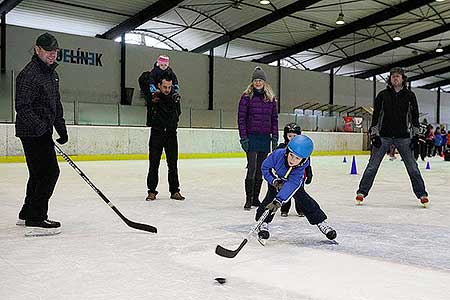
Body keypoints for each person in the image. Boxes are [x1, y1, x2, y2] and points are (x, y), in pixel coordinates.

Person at [15, 32, 68, 236]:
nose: (52, 55)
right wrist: (40, 129)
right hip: (31, 131)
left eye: (55, 51)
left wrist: (60, 128)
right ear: (37, 50)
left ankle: (27, 211)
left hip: (42, 130)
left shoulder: (52, 74)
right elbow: (23, 107)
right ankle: (36, 217)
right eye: (48, 51)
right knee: (49, 172)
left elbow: (56, 104)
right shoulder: (29, 75)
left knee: (38, 174)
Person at [355, 67, 429, 207]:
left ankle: (422, 194)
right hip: (383, 136)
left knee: (412, 167)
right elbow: (376, 116)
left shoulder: (410, 96)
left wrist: (415, 135)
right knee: (372, 166)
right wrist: (374, 134)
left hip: (404, 137)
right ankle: (362, 192)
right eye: (393, 76)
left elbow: (414, 117)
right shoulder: (382, 95)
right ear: (390, 79)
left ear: (403, 79)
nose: (395, 78)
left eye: (398, 76)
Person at [255, 135, 336, 241]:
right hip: (276, 180)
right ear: (287, 151)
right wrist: (274, 180)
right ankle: (263, 223)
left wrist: (279, 201)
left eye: (297, 158)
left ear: (303, 160)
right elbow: (265, 167)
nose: (292, 160)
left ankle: (320, 222)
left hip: (291, 183)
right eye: (291, 155)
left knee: (304, 200)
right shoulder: (277, 155)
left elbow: (292, 183)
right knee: (270, 198)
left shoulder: (301, 167)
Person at [238, 66, 278, 210]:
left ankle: (256, 198)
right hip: (251, 137)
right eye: (256, 80)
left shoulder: (271, 99)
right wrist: (243, 138)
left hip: (264, 137)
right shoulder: (246, 97)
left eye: (260, 80)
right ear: (252, 82)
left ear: (264, 82)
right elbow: (241, 119)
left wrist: (274, 137)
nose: (258, 82)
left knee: (261, 168)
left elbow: (274, 118)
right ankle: (248, 199)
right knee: (252, 167)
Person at [145, 71, 185, 201]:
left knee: (173, 164)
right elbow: (143, 78)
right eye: (165, 87)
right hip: (157, 133)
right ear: (159, 86)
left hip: (171, 135)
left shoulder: (175, 98)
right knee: (154, 163)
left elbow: (178, 113)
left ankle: (174, 191)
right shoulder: (153, 97)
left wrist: (173, 124)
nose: (167, 90)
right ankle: (152, 191)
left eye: (169, 87)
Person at [276, 122, 313, 217]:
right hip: (284, 176)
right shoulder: (281, 148)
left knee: (299, 192)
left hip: (298, 176)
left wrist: (309, 173)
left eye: (294, 136)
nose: (292, 138)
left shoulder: (303, 149)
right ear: (285, 136)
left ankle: (300, 209)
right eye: (289, 136)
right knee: (285, 191)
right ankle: (284, 209)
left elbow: (307, 163)